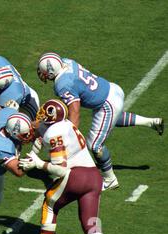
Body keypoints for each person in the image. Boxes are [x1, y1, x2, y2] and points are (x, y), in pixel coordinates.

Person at [37, 52, 164, 190]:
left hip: (106, 104)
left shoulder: (62, 84)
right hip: (112, 89)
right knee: (111, 120)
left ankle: (110, 179)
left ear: (50, 72)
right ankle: (151, 122)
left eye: (43, 71)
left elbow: (75, 110)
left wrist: (70, 135)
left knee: (95, 145)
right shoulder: (67, 62)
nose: (41, 73)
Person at [19, 99, 105, 234]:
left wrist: (37, 163)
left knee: (49, 205)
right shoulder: (66, 124)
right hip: (94, 177)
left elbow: (60, 170)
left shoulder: (54, 133)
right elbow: (41, 136)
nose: (41, 114)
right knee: (90, 221)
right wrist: (33, 153)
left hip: (76, 176)